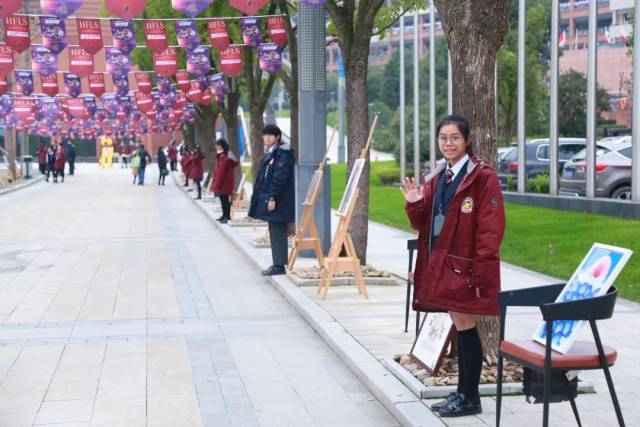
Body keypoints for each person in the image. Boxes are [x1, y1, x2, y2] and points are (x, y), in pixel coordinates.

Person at [402, 115, 505, 418]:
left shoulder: (481, 177)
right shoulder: (438, 177)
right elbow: (423, 224)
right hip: (444, 264)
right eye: (443, 138)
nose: (448, 143)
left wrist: (482, 271)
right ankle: (463, 393)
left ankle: (470, 398)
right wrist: (414, 202)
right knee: (462, 328)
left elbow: (491, 228)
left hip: (466, 268)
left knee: (466, 328)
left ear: (467, 140)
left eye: (455, 138)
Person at [248, 124, 295, 276]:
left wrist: (273, 197)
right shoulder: (272, 152)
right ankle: (277, 263)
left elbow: (280, 177)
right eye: (265, 135)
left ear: (277, 137)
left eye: (270, 135)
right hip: (273, 198)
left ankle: (279, 265)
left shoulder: (282, 153)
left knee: (278, 230)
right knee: (274, 230)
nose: (267, 138)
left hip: (279, 199)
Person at [211, 138, 238, 223]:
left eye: (217, 145)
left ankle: (226, 216)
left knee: (225, 200)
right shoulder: (225, 155)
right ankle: (225, 215)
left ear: (221, 146)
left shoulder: (223, 157)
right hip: (226, 182)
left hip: (223, 182)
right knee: (224, 199)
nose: (216, 147)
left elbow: (220, 172)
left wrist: (216, 184)